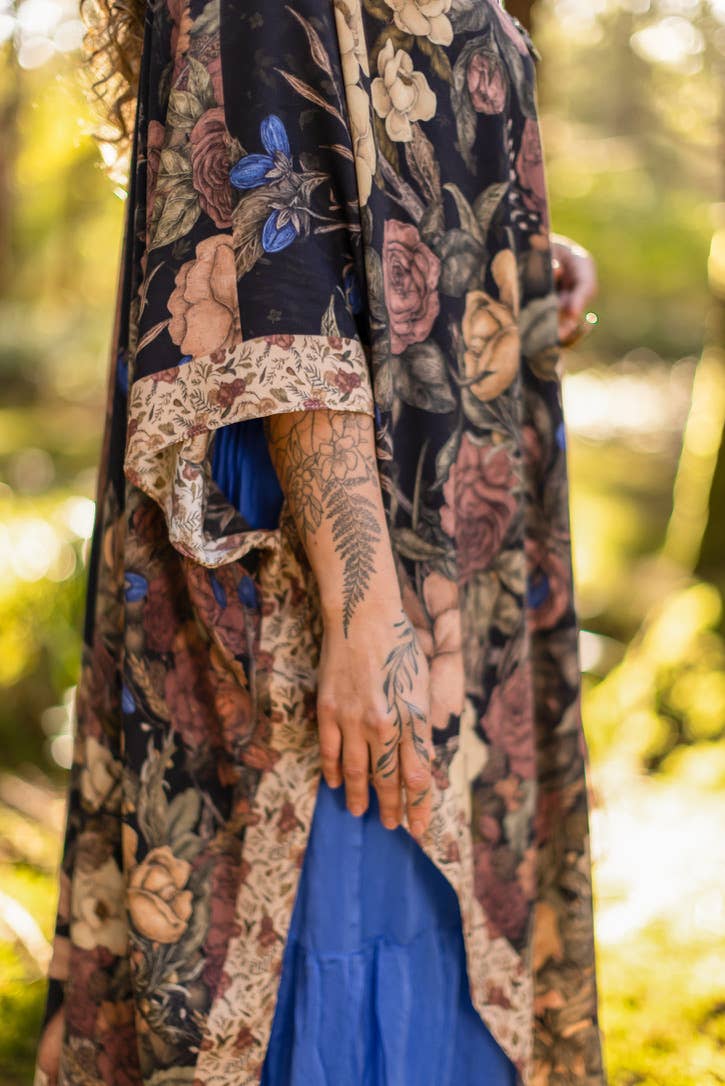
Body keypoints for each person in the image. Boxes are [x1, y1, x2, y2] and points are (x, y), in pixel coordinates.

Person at [33, 1, 606, 1084]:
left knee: (428, 950)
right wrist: (361, 612)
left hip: (432, 524)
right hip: (328, 551)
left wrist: (503, 249)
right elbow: (278, 276)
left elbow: (368, 168)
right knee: (339, 932)